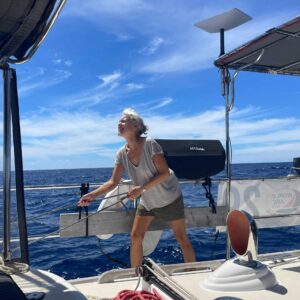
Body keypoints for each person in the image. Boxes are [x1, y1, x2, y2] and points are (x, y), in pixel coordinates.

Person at [78, 108, 196, 267]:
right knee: (135, 238)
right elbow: (113, 182)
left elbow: (165, 173)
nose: (119, 123)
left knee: (181, 238)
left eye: (123, 120)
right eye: (119, 121)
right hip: (148, 201)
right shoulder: (121, 153)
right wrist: (91, 196)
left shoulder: (150, 144)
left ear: (136, 126)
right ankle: (135, 276)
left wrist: (140, 189)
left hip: (169, 198)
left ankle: (193, 272)